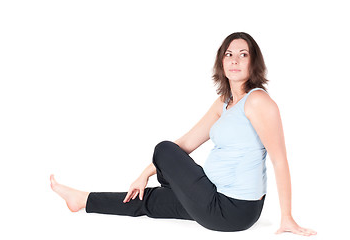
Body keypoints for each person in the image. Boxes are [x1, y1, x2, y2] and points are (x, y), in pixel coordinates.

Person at [50, 32, 316, 235]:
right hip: (211, 198)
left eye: (243, 54)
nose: (234, 60)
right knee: (149, 200)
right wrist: (144, 175)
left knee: (163, 149)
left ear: (253, 62)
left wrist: (287, 217)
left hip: (233, 209)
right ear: (221, 60)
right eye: (229, 54)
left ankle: (173, 184)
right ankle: (82, 200)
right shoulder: (223, 103)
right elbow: (186, 144)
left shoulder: (258, 101)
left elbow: (280, 159)